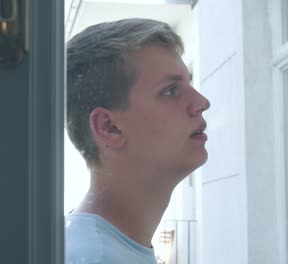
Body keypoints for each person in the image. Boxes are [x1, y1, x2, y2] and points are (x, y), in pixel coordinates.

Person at [65, 18, 210, 263]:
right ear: (110, 127)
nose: (202, 103)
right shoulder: (97, 258)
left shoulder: (99, 246)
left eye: (190, 83)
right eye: (171, 91)